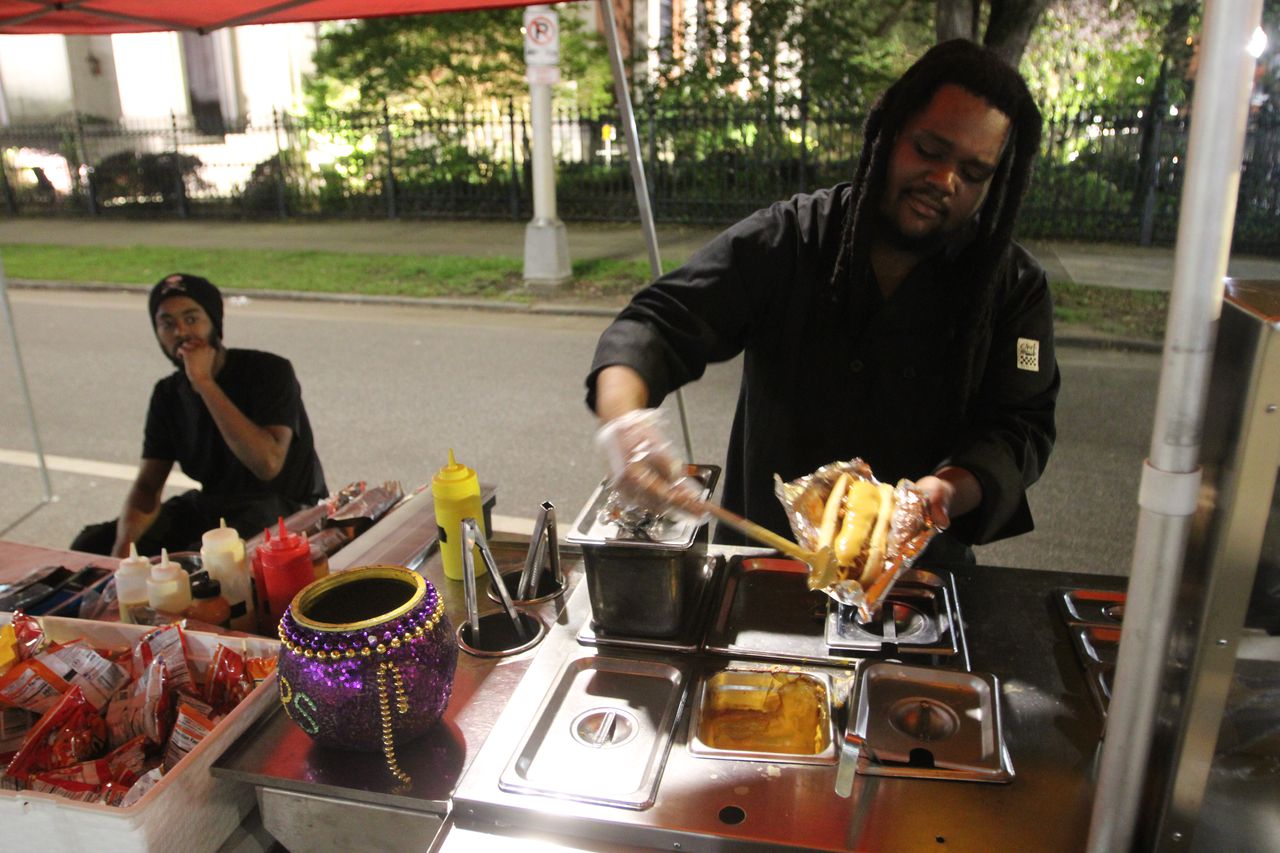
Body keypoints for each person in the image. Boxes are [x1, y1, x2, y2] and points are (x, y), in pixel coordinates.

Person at [587, 39, 1059, 564]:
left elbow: (1020, 427)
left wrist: (948, 490)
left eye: (973, 174)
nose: (944, 181)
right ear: (891, 130)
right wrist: (625, 426)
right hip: (765, 565)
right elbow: (658, 321)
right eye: (929, 150)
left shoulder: (1013, 284)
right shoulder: (793, 238)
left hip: (913, 582)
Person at [72, 273, 328, 557]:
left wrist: (205, 383)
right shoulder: (167, 394)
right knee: (91, 546)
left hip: (286, 508)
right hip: (215, 507)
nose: (180, 332)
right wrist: (122, 552)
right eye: (167, 324)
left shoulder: (269, 370)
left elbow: (267, 463)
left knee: (202, 564)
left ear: (215, 324)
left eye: (191, 319)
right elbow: (148, 486)